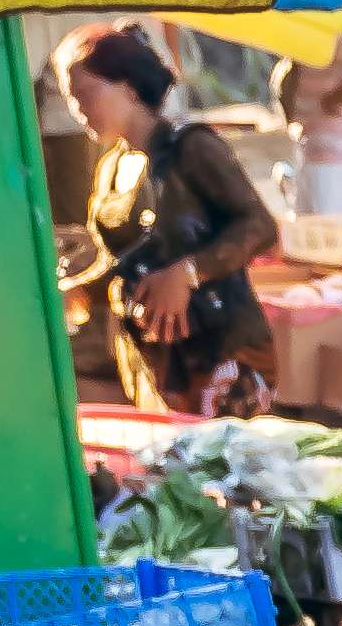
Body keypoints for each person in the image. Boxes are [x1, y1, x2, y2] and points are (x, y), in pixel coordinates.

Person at [59, 28, 277, 416]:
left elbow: (260, 226)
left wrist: (189, 271)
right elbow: (126, 262)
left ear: (128, 88)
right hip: (152, 357)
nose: (78, 109)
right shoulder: (113, 165)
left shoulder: (191, 147)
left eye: (86, 94)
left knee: (219, 452)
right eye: (71, 99)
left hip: (220, 352)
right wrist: (79, 290)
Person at [274, 43, 342, 223]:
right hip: (312, 147)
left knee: (338, 229)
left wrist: (332, 101)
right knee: (311, 228)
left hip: (340, 153)